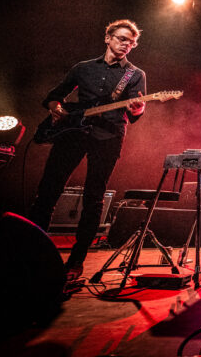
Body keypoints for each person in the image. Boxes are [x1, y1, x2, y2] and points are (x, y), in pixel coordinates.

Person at [28, 20, 146, 282]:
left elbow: (136, 113)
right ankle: (33, 252)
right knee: (48, 191)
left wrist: (137, 107)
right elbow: (53, 96)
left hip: (109, 136)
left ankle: (76, 261)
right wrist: (56, 107)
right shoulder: (82, 69)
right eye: (121, 38)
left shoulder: (135, 74)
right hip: (72, 133)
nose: (126, 44)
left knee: (94, 198)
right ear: (108, 37)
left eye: (130, 42)